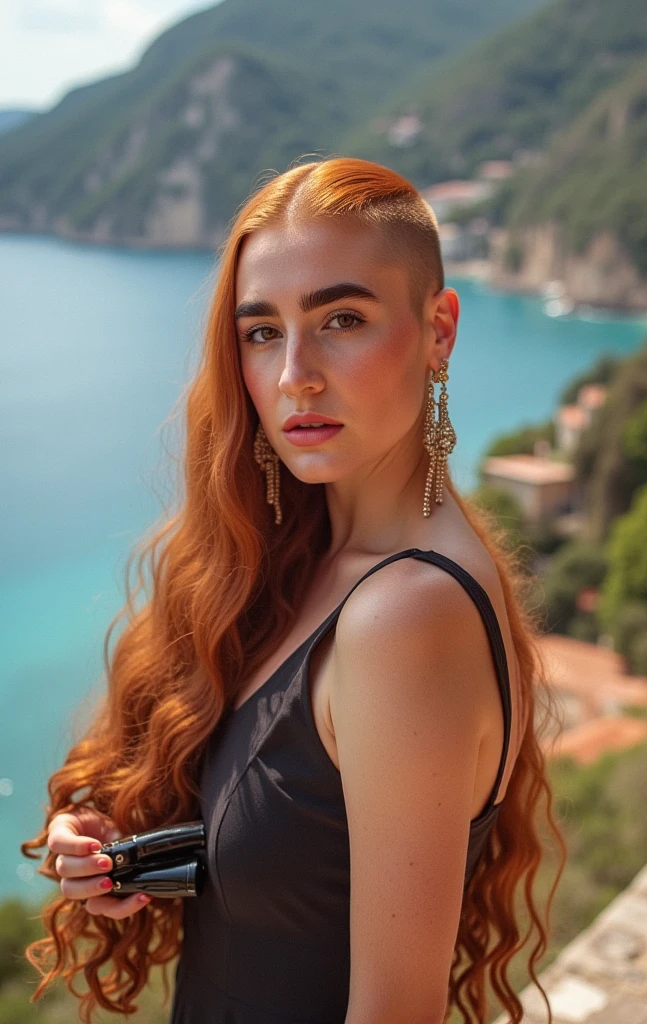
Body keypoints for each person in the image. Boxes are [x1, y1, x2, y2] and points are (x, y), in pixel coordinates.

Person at [22, 156, 566, 1024]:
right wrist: (110, 842)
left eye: (341, 318)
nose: (294, 377)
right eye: (262, 331)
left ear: (439, 330)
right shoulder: (311, 557)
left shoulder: (406, 613)